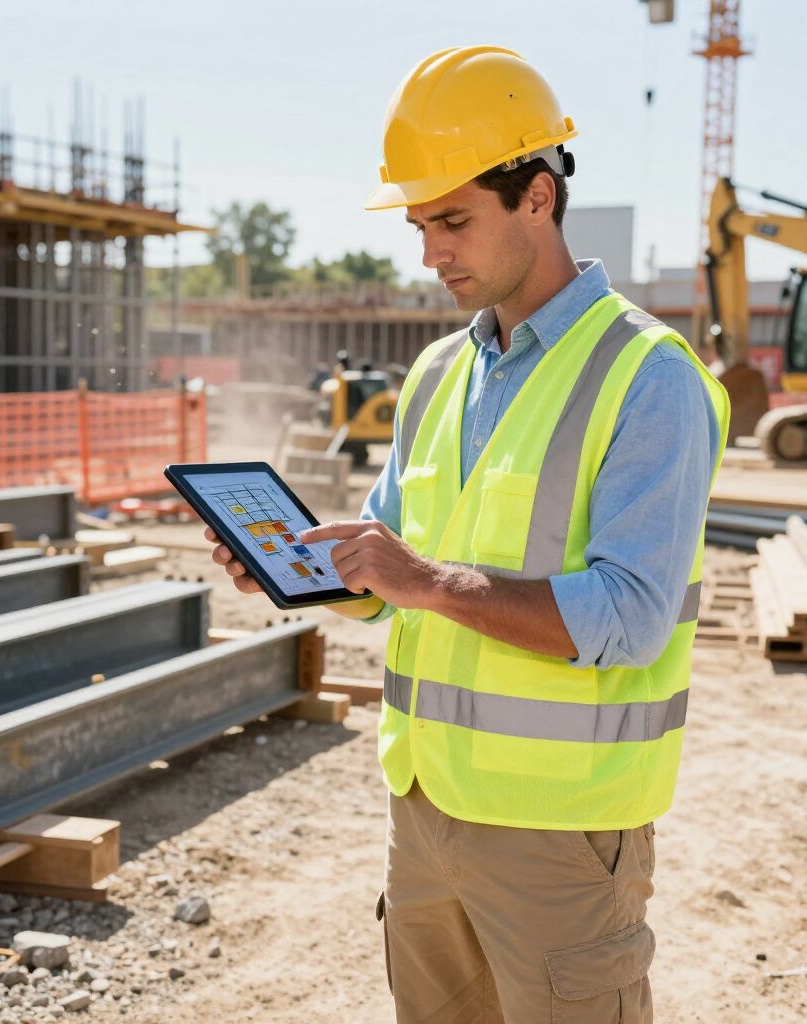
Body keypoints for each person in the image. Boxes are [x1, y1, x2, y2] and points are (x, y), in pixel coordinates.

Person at [207, 45, 729, 1024]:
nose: (430, 253)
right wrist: (308, 568)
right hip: (424, 805)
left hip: (558, 833)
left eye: (452, 221)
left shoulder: (647, 375)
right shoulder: (439, 373)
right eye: (420, 225)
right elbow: (395, 567)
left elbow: (629, 614)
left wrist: (429, 579)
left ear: (537, 197)